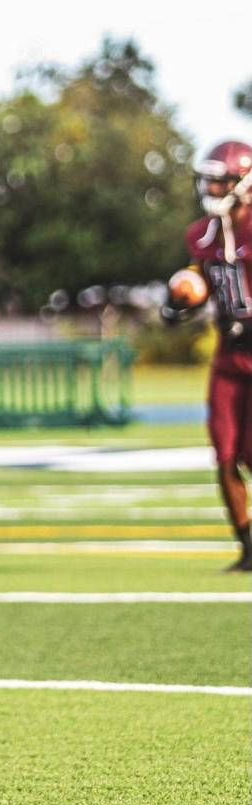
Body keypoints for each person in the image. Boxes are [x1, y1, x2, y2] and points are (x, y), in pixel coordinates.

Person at [165, 140, 252, 572]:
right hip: (229, 357)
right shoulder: (204, 233)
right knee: (224, 453)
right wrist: (181, 301)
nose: (213, 186)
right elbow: (201, 277)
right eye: (210, 178)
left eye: (221, 178)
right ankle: (247, 547)